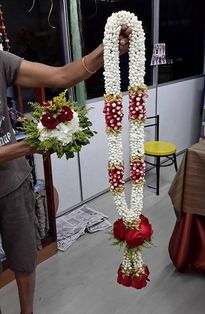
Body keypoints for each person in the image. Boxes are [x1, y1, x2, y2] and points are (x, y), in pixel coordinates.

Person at [0, 25, 131, 314]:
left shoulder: (2, 61)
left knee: (23, 258)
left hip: (11, 182)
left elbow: (61, 76)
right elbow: (25, 147)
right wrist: (27, 147)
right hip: (14, 162)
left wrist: (106, 49)